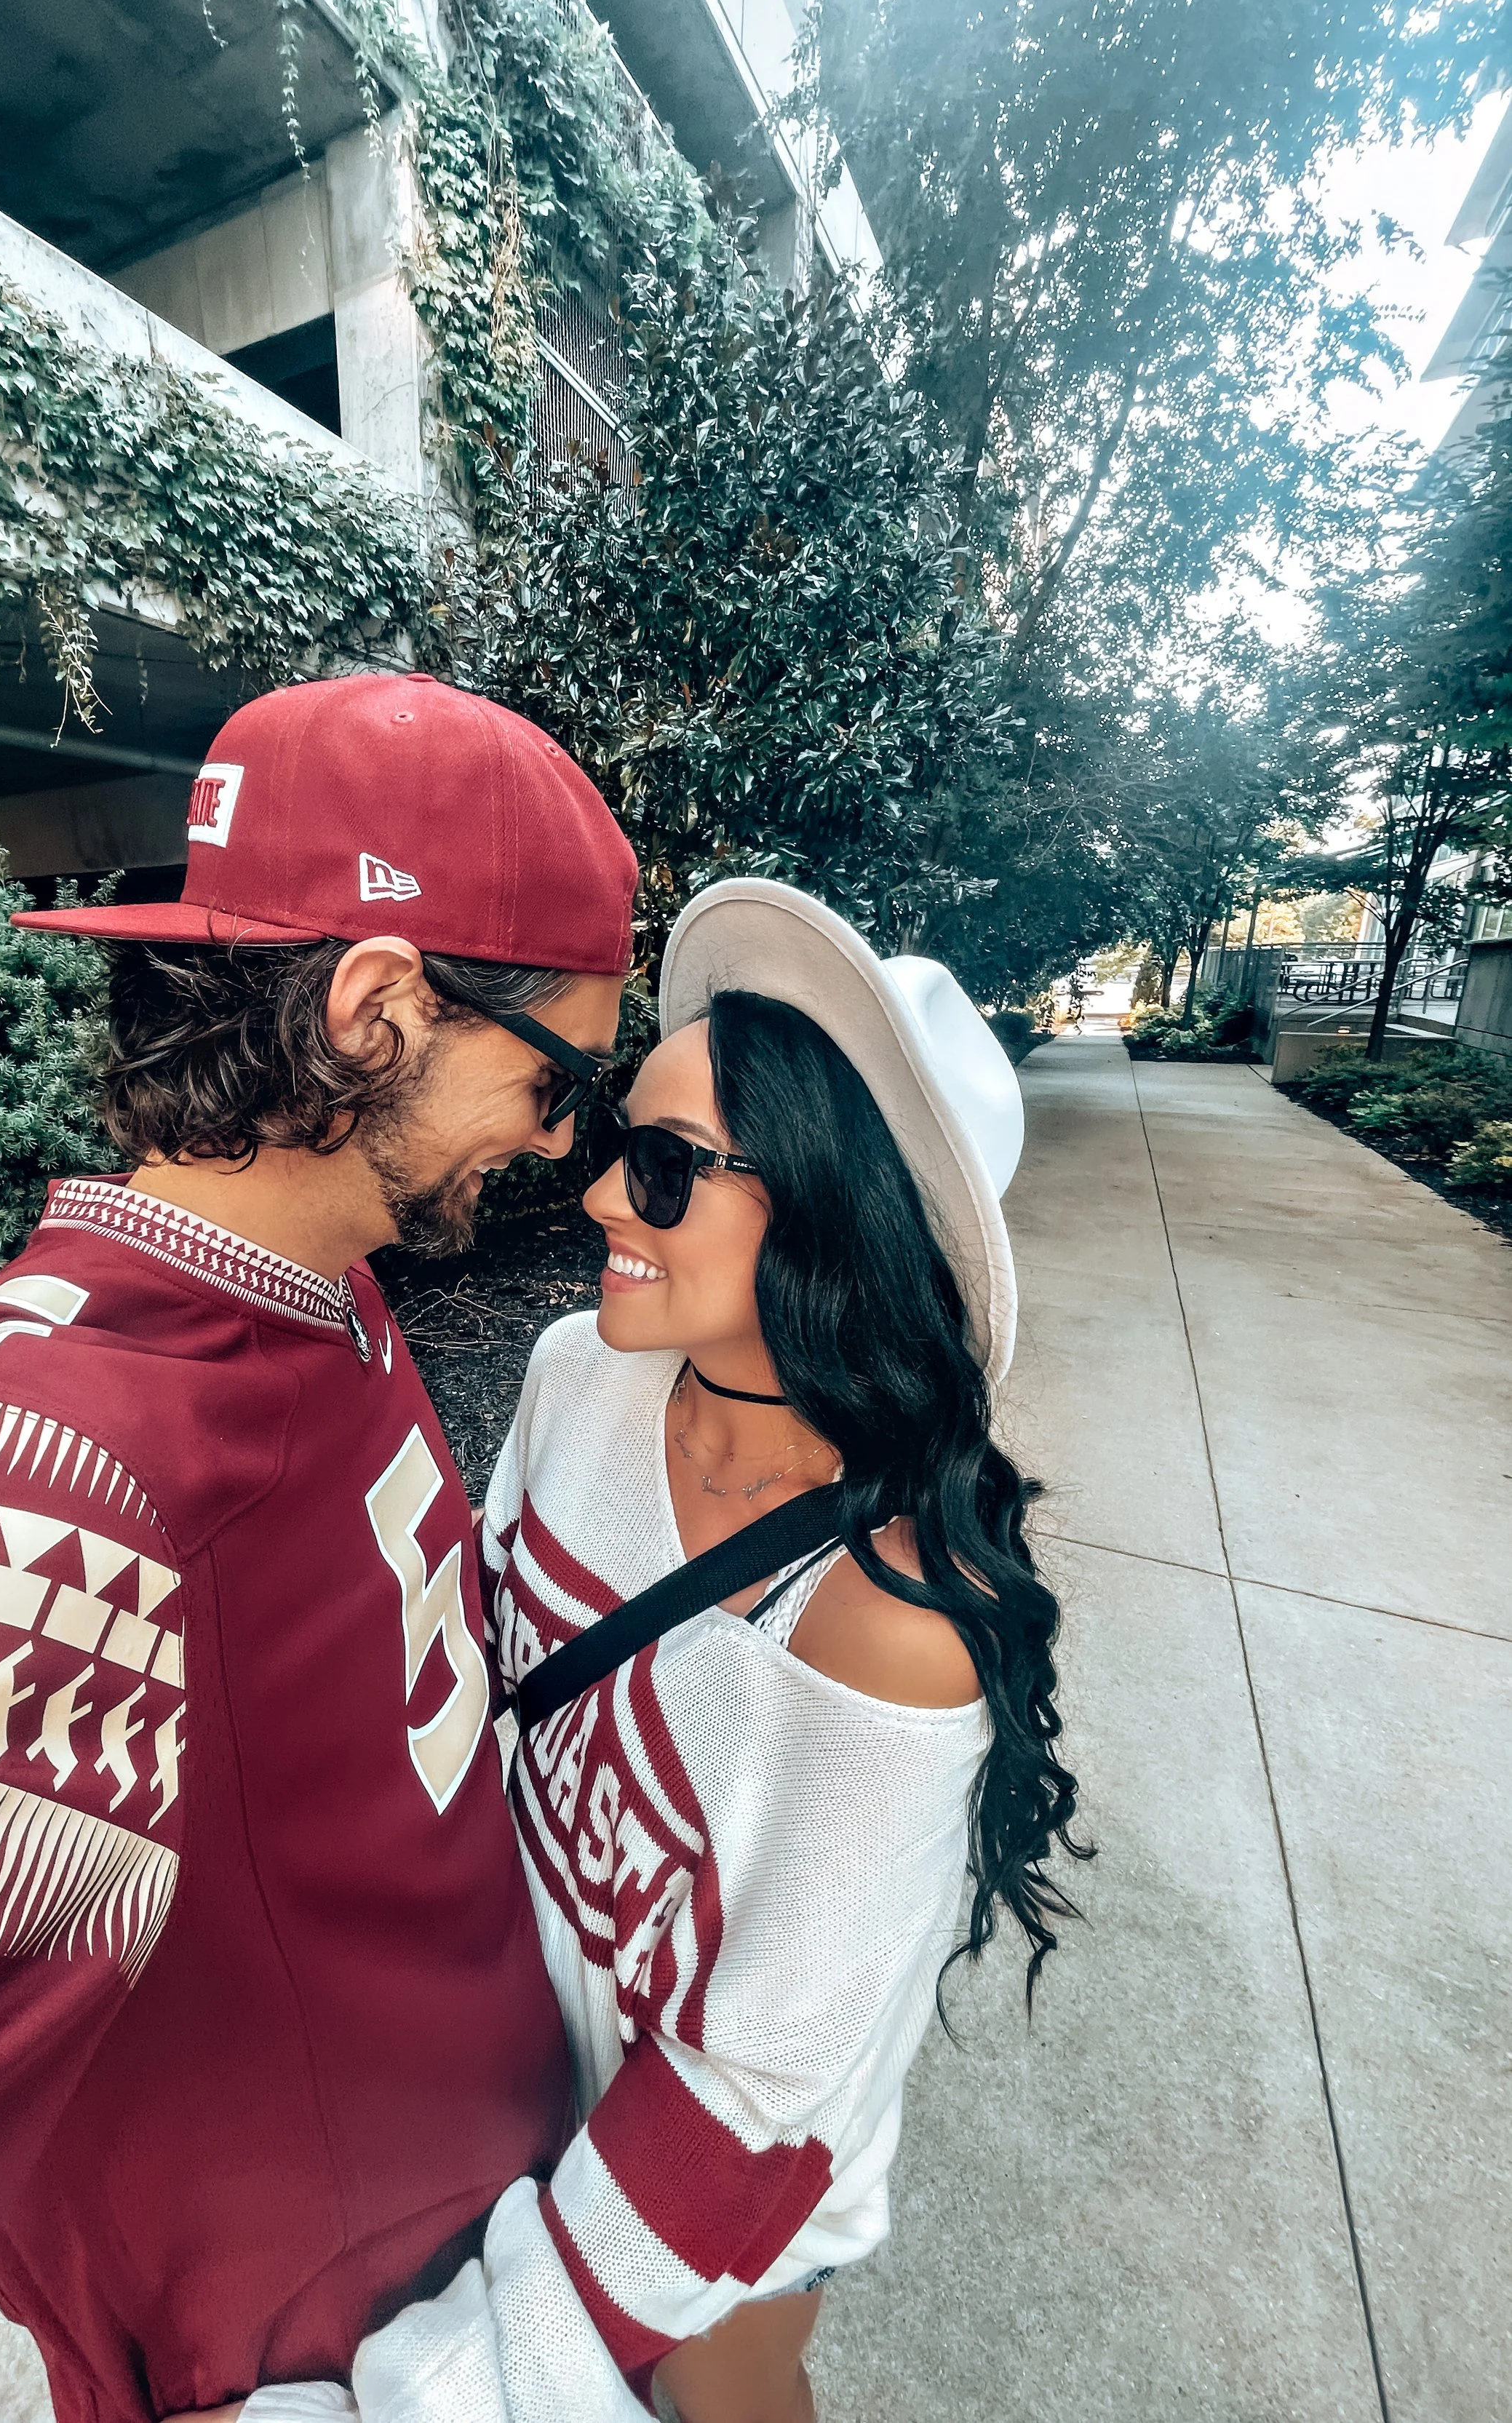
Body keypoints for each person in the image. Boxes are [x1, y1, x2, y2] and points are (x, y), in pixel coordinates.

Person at [0, 672, 637, 2422]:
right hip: (324, 2368)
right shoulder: (29, 1480)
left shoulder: (310, 1281)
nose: (563, 1139)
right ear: (375, 1009)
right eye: (556, 1072)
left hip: (478, 2262)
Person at [476, 880, 1089, 2423]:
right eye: (625, 1137)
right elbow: (488, 1672)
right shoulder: (576, 1377)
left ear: (829, 1209)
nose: (604, 1194)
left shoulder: (888, 1620)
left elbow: (760, 2092)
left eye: (669, 1168)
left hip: (721, 2196)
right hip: (511, 2080)